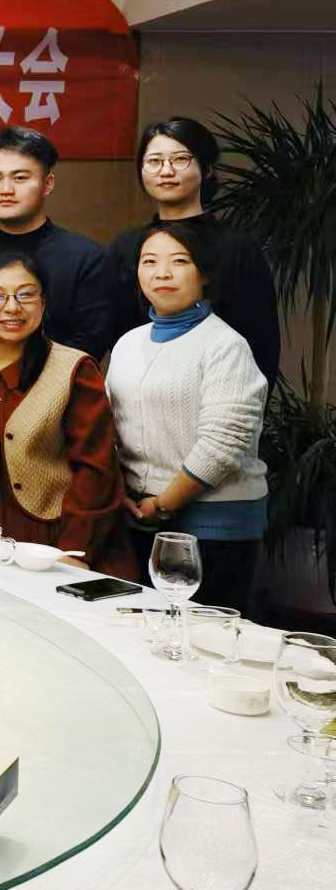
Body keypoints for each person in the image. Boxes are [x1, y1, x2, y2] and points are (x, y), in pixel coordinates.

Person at [106, 223, 269, 612]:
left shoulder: (225, 345)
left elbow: (223, 442)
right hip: (138, 516)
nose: (162, 273)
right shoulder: (128, 342)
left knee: (205, 635)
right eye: (150, 262)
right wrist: (123, 492)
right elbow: (109, 425)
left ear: (204, 273)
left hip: (215, 524)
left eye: (179, 261)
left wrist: (163, 503)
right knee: (145, 632)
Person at [0, 253, 122, 563]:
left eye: (26, 294)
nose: (12, 307)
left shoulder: (75, 369)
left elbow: (96, 471)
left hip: (52, 534)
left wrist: (74, 549)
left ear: (43, 303)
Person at [104, 118, 279, 386]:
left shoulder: (237, 247)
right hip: (142, 391)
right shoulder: (126, 247)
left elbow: (261, 339)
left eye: (180, 159)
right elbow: (116, 332)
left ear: (206, 169)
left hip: (224, 390)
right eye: (154, 161)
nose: (166, 171)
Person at [0, 126, 110, 359]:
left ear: (47, 184)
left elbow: (90, 341)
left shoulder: (86, 258)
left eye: (20, 178)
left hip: (60, 378)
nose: (6, 190)